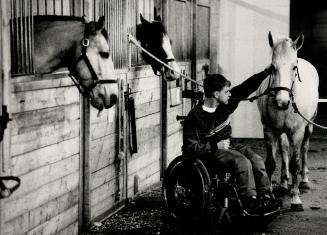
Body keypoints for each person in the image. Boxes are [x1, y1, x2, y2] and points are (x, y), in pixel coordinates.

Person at [182, 65, 280, 215]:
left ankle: (265, 196)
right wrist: (215, 145)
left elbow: (246, 87)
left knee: (257, 159)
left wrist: (266, 72)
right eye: (226, 92)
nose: (230, 95)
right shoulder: (195, 117)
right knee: (242, 162)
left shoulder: (226, 104)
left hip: (229, 146)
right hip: (211, 153)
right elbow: (190, 148)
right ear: (215, 94)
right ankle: (250, 200)